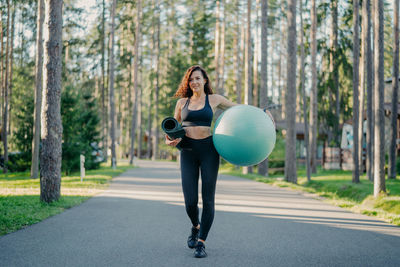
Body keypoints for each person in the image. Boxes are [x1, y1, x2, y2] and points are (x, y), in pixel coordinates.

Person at [165, 65, 273, 258]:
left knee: (208, 199)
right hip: (188, 151)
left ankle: (201, 243)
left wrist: (262, 112)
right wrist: (169, 139)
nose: (194, 82)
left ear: (205, 80)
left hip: (209, 151)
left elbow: (240, 109)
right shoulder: (182, 103)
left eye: (198, 78)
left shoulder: (215, 100)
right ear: (187, 83)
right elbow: (172, 127)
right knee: (190, 201)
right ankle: (195, 226)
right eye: (191, 80)